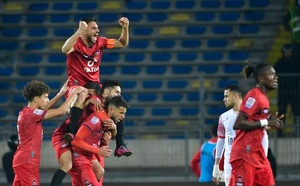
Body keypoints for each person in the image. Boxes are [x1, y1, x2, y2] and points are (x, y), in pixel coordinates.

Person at [61, 16, 130, 156]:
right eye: (94, 28)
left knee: (116, 101)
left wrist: (125, 28)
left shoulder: (100, 42)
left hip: (94, 87)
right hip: (77, 86)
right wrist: (78, 31)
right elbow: (64, 49)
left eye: (98, 28)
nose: (98, 30)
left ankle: (120, 144)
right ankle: (72, 132)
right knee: (82, 93)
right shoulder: (76, 43)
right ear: (84, 31)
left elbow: (122, 43)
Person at [12, 80, 85, 186]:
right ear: (36, 98)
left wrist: (60, 94)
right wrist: (74, 93)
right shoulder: (30, 114)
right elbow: (61, 111)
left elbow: (45, 108)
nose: (48, 100)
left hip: (24, 160)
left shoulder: (26, 112)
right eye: (45, 97)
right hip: (27, 161)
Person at [229, 61, 284, 186]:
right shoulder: (254, 96)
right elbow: (238, 123)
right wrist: (266, 121)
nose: (276, 78)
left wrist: (269, 124)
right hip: (245, 155)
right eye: (272, 75)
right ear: (261, 78)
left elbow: (254, 122)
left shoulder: (264, 97)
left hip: (257, 154)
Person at [50, 81, 106, 186]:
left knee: (99, 171)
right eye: (88, 94)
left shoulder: (95, 108)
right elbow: (70, 111)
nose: (89, 97)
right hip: (63, 136)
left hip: (76, 140)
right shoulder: (78, 101)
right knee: (67, 165)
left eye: (92, 95)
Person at [70, 96, 129, 185]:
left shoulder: (106, 122)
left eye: (124, 113)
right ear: (111, 110)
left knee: (99, 172)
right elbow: (75, 141)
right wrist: (98, 150)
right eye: (121, 113)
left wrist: (108, 138)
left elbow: (95, 139)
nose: (123, 116)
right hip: (80, 157)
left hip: (89, 156)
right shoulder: (95, 120)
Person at [212, 85, 244, 186]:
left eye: (226, 96)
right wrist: (216, 165)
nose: (224, 99)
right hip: (229, 162)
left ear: (235, 96)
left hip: (246, 160)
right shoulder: (223, 117)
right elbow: (221, 141)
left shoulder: (251, 115)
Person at [274, 44, 300, 137]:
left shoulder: (296, 62)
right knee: (281, 112)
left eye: (289, 52)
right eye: (286, 52)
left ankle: (298, 132)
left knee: (297, 112)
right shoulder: (279, 62)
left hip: (294, 91)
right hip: (283, 91)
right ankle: (280, 134)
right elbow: (273, 73)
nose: (287, 54)